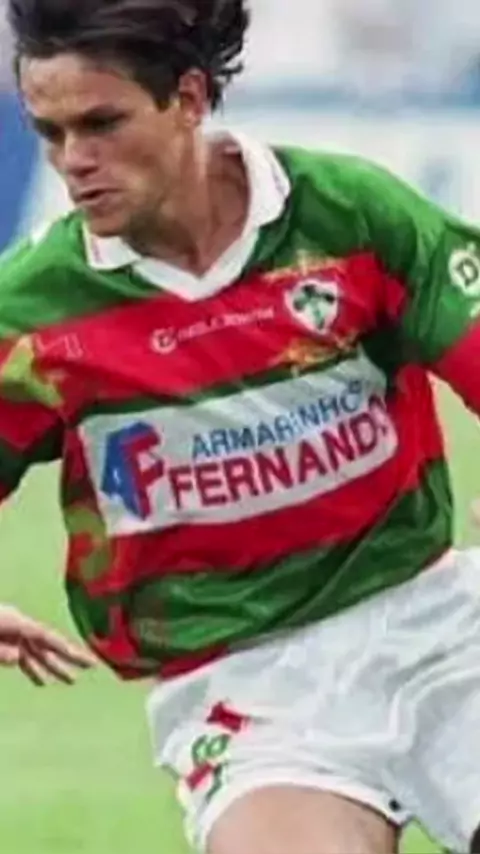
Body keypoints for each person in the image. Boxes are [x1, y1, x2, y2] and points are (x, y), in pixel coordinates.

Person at [2, 0, 480, 852]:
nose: (74, 160)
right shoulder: (34, 312)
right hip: (248, 688)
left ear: (187, 98)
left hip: (439, 627)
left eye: (102, 124)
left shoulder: (348, 214)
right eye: (50, 132)